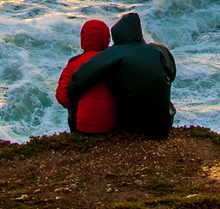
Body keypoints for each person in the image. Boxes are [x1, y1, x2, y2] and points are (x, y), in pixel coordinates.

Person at [66, 12, 176, 140]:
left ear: (118, 34)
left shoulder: (115, 53)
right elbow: (171, 75)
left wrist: (73, 101)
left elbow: (78, 80)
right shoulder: (160, 50)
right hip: (163, 124)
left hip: (131, 126)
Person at [55, 19, 118, 134]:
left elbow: (61, 96)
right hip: (113, 125)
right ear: (107, 38)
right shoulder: (115, 59)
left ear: (83, 38)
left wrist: (75, 105)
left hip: (82, 127)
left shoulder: (74, 63)